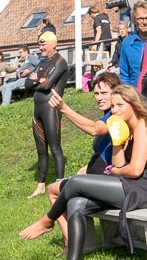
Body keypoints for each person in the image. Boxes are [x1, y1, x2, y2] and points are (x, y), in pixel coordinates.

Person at [20, 84, 147, 260]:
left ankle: (47, 221)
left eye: (120, 105)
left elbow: (134, 170)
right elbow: (119, 165)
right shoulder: (129, 129)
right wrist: (118, 142)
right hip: (135, 187)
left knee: (77, 182)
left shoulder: (145, 125)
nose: (115, 110)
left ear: (134, 104)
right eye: (113, 106)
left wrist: (116, 171)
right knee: (76, 203)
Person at [45, 71, 122, 232]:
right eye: (96, 93)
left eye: (104, 93)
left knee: (53, 191)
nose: (99, 98)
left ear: (116, 93)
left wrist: (64, 108)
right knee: (56, 189)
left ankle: (67, 239)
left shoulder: (115, 117)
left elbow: (95, 130)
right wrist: (89, 167)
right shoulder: (108, 115)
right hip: (98, 177)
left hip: (109, 184)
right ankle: (70, 241)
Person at [28, 32, 70, 198]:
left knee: (55, 147)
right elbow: (27, 83)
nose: (41, 47)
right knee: (41, 150)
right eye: (39, 44)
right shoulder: (42, 62)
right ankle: (40, 186)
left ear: (53, 44)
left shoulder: (60, 62)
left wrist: (38, 80)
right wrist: (37, 81)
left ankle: (60, 184)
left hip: (51, 108)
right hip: (37, 109)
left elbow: (47, 85)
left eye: (43, 44)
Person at [118, 5, 147, 87]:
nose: (145, 22)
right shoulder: (127, 43)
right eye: (140, 19)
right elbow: (124, 73)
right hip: (135, 91)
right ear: (134, 21)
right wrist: (128, 92)